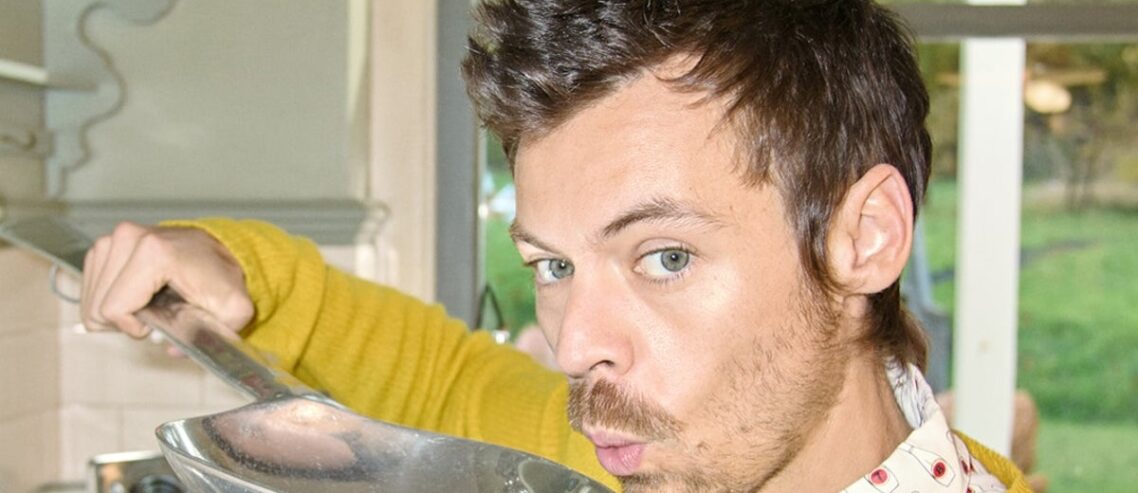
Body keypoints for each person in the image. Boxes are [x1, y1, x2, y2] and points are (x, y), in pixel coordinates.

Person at [80, 0, 1032, 491]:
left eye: (664, 256)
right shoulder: (627, 448)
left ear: (864, 238)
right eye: (554, 265)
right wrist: (238, 274)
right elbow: (445, 381)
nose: (576, 345)